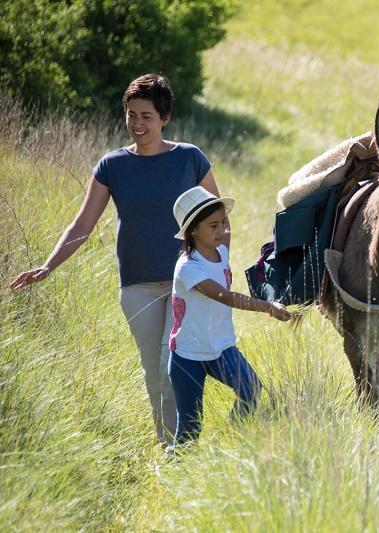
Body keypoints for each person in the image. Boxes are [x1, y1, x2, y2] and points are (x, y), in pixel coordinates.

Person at [9, 73, 224, 444]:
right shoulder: (113, 166)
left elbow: (220, 222)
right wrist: (48, 265)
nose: (137, 124)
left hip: (184, 284)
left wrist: (219, 268)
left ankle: (181, 451)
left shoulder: (190, 159)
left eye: (147, 117)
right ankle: (167, 448)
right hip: (136, 287)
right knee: (153, 374)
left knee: (172, 366)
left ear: (165, 118)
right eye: (131, 115)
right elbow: (83, 223)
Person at [169, 187, 292, 446]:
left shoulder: (221, 251)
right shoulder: (188, 267)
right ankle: (178, 466)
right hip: (188, 356)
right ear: (192, 230)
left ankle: (229, 444)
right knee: (190, 428)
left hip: (222, 348)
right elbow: (225, 296)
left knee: (251, 390)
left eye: (223, 222)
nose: (222, 230)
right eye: (213, 225)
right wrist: (268, 307)